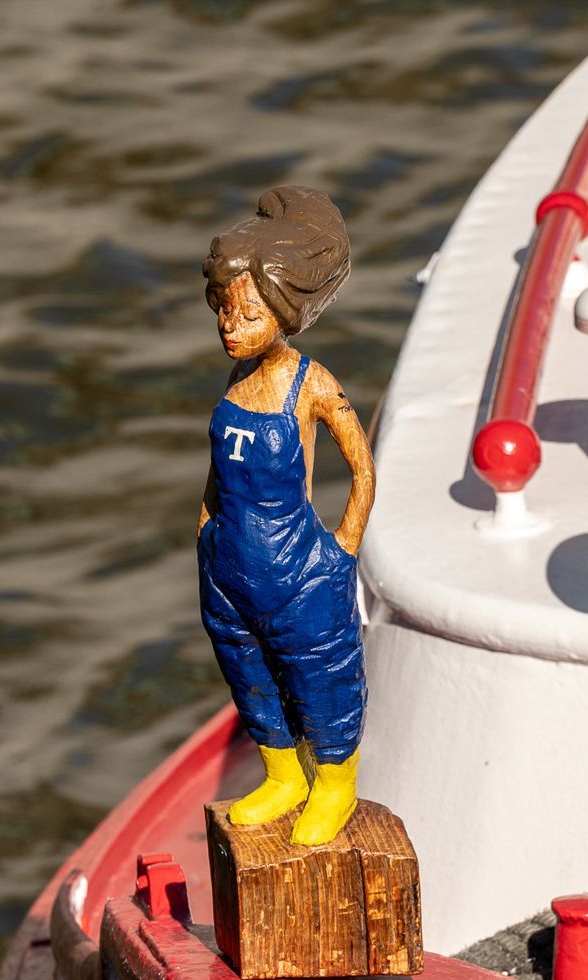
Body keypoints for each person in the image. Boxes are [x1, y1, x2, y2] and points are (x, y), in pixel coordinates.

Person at [198, 186, 374, 846]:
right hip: (227, 565)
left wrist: (344, 546)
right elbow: (219, 468)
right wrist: (205, 528)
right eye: (225, 311)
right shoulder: (237, 380)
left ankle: (334, 783)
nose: (230, 327)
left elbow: (361, 468)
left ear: (284, 310)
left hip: (298, 569)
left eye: (247, 315)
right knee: (248, 671)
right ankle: (282, 774)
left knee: (320, 673)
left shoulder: (311, 383)